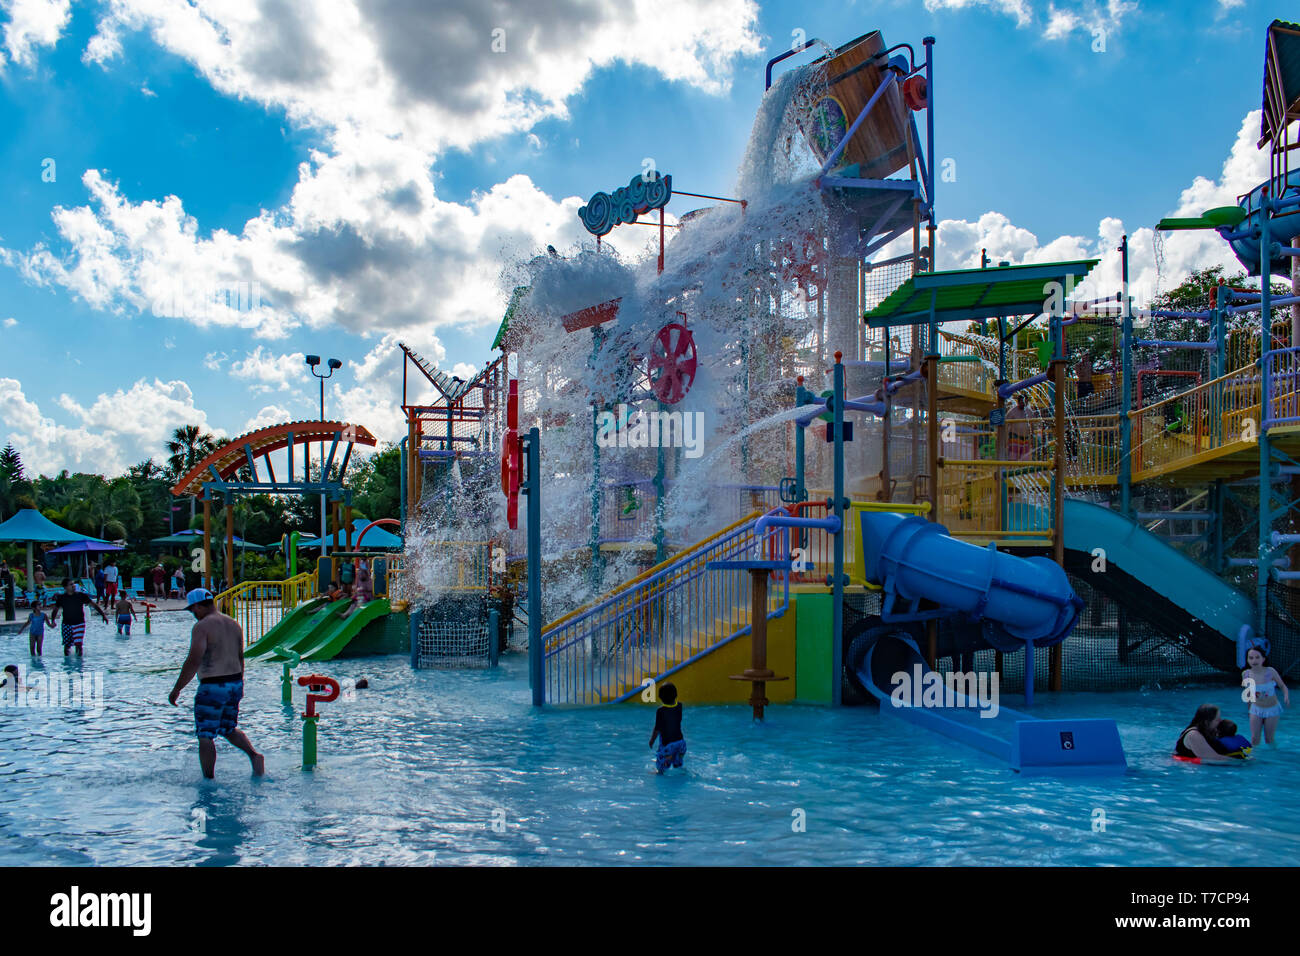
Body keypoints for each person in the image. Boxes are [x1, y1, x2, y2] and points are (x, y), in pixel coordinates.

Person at [168, 588, 265, 780]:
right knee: (228, 728)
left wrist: (177, 689)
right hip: (234, 683)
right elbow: (240, 658)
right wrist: (241, 684)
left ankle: (208, 780)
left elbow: (194, 660)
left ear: (197, 606)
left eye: (192, 610)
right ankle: (254, 756)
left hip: (212, 686)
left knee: (205, 735)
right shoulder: (234, 624)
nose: (193, 614)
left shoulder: (202, 626)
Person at [1243, 645, 1289, 746]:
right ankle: (1254, 759)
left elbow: (1282, 686)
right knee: (1254, 739)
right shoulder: (1246, 674)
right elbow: (1249, 694)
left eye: (1257, 657)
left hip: (1272, 709)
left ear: (1263, 659)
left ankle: (1272, 759)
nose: (1254, 660)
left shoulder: (1270, 671)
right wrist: (1249, 710)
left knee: (1269, 739)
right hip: (1255, 709)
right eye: (1250, 658)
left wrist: (1286, 696)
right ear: (1247, 660)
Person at [50, 578, 108, 657]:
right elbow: (55, 610)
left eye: (73, 584)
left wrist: (103, 615)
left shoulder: (81, 596)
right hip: (66, 624)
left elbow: (94, 605)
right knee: (67, 646)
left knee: (79, 645)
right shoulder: (61, 598)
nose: (73, 586)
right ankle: (67, 665)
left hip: (79, 623)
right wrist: (53, 621)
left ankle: (79, 665)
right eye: (71, 584)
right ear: (65, 587)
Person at [648, 681, 686, 774]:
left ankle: (660, 771)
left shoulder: (661, 711)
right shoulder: (679, 706)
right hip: (681, 744)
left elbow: (657, 729)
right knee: (677, 766)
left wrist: (652, 741)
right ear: (676, 695)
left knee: (661, 768)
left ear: (660, 697)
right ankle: (676, 762)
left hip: (668, 746)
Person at [1005, 392, 1033, 460]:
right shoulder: (1012, 411)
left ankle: (1022, 470)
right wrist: (1005, 439)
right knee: (1013, 458)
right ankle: (1012, 470)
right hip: (1014, 437)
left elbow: (1032, 424)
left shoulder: (1029, 411)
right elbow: (1006, 424)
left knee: (1025, 459)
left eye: (1025, 402)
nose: (1023, 404)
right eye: (1022, 402)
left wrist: (1031, 437)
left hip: (1025, 438)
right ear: (1018, 402)